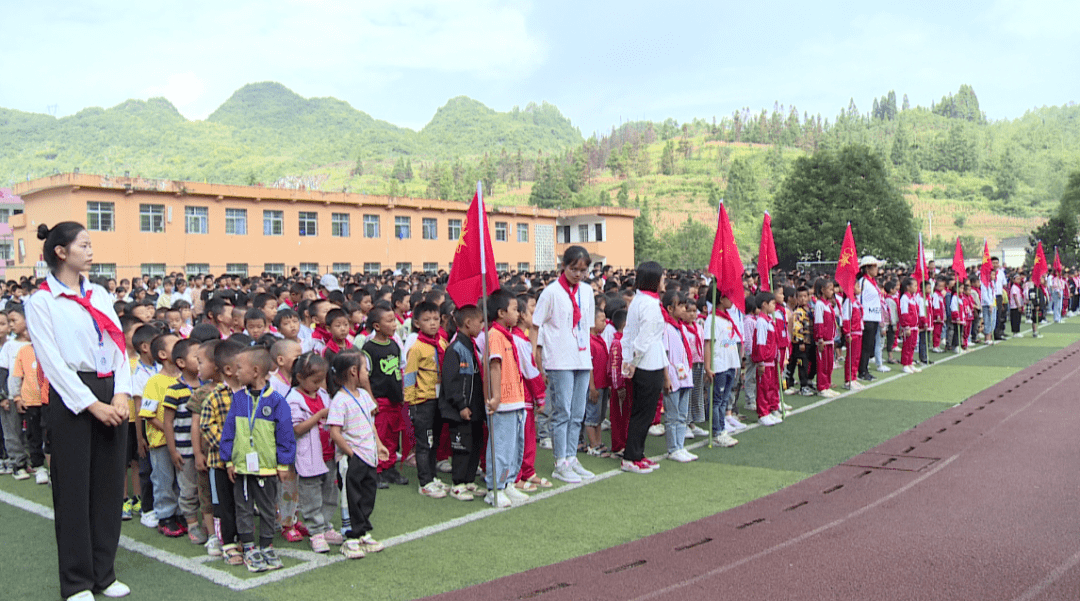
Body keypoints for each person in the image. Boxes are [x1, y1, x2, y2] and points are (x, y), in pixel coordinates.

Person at [25, 222, 134, 600]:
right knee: (73, 491)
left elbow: (119, 345)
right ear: (61, 252)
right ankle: (76, 582)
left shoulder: (100, 293)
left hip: (110, 389)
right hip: (73, 395)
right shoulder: (41, 301)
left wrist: (121, 395)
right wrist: (92, 405)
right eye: (83, 245)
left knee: (108, 489)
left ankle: (104, 574)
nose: (90, 250)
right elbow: (52, 362)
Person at [220, 346, 296, 573]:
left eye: (239, 368)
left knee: (267, 508)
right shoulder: (238, 399)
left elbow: (285, 434)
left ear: (255, 371)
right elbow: (229, 430)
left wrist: (283, 463)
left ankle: (266, 545)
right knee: (243, 508)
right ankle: (249, 547)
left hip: (267, 468)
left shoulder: (277, 401)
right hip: (242, 468)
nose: (235, 373)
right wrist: (229, 461)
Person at [532, 246, 596, 484]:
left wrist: (588, 358)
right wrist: (536, 360)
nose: (578, 274)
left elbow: (587, 327)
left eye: (583, 270)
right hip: (559, 360)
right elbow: (536, 325)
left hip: (581, 357)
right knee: (563, 412)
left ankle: (571, 457)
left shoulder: (587, 292)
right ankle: (560, 462)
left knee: (578, 413)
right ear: (563, 266)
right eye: (574, 269)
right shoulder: (550, 292)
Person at [326, 349, 388, 559]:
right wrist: (351, 453)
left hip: (369, 455)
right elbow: (335, 433)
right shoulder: (339, 400)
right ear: (354, 371)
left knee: (367, 494)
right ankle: (350, 536)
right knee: (350, 496)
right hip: (352, 458)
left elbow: (371, 424)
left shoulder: (363, 396)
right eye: (365, 369)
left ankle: (362, 532)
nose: (367, 373)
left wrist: (378, 444)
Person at [285, 352, 345, 553]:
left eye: (321, 380)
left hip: (328, 453)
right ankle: (315, 531)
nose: (319, 385)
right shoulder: (293, 398)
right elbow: (297, 429)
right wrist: (319, 415)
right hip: (308, 456)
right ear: (300, 378)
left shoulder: (322, 395)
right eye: (315, 381)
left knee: (330, 491)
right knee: (310, 494)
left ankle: (325, 525)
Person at [199, 339, 246, 566]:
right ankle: (228, 542)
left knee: (245, 501)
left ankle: (246, 540)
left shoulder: (252, 394)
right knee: (226, 504)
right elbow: (207, 426)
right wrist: (230, 447)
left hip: (248, 461)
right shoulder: (215, 397)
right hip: (221, 461)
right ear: (229, 369)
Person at [483, 289, 528, 507]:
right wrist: (496, 397)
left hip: (515, 400)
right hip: (503, 402)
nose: (518, 314)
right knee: (500, 447)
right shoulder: (495, 336)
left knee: (514, 446)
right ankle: (495, 488)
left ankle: (508, 482)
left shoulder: (506, 335)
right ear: (501, 312)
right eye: (514, 309)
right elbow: (494, 365)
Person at [620, 261, 665, 474]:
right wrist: (633, 361)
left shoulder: (642, 300)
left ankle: (637, 453)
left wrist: (630, 359)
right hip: (646, 363)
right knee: (642, 413)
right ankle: (631, 457)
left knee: (644, 412)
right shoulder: (647, 303)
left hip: (649, 360)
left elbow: (630, 334)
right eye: (662, 277)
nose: (664, 281)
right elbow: (643, 336)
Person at [138, 333, 184, 537]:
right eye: (175, 345)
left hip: (183, 440)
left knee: (182, 479)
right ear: (163, 354)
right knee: (163, 478)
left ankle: (182, 513)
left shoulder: (185, 379)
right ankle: (165, 516)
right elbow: (148, 414)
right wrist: (170, 431)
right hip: (162, 441)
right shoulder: (155, 381)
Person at [160, 338, 206, 542]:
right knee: (188, 488)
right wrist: (172, 450)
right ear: (181, 362)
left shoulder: (208, 386)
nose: (201, 361)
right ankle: (192, 523)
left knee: (205, 487)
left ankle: (208, 522)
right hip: (185, 450)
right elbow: (168, 422)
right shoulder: (175, 390)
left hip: (206, 449)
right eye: (197, 357)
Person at [439, 305, 486, 501]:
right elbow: (451, 382)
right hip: (460, 410)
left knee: (475, 444)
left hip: (475, 407)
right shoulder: (455, 348)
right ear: (468, 323)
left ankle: (468, 480)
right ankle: (458, 483)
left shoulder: (472, 345)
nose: (483, 326)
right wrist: (461, 405)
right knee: (462, 446)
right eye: (480, 322)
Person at [404, 301, 448, 498]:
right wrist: (411, 402)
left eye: (436, 319)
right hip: (423, 400)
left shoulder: (442, 343)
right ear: (416, 323)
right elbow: (410, 376)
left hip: (439, 399)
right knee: (424, 442)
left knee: (435, 441)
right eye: (427, 320)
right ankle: (424, 482)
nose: (432, 323)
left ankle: (433, 475)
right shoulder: (416, 348)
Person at [362, 305, 410, 488]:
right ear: (377, 326)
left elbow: (400, 370)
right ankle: (377, 470)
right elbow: (365, 376)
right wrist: (371, 399)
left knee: (392, 435)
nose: (395, 324)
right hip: (379, 398)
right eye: (389, 321)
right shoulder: (369, 347)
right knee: (379, 435)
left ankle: (389, 467)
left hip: (394, 399)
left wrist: (402, 392)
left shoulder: (394, 345)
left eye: (394, 320)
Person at [702, 288, 741, 447]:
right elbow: (709, 343)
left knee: (724, 400)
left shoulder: (726, 319)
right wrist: (708, 367)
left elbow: (727, 342)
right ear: (720, 299)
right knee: (717, 400)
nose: (732, 301)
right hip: (719, 366)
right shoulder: (712, 320)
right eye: (729, 298)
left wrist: (735, 362)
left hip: (730, 364)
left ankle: (722, 428)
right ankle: (717, 432)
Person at [660, 290, 696, 460]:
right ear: (669, 308)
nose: (683, 309)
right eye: (680, 306)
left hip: (684, 376)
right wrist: (666, 378)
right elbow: (664, 356)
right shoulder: (666, 329)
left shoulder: (681, 327)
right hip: (673, 377)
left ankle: (680, 446)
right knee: (672, 415)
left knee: (682, 415)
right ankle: (673, 448)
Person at [1, 307, 32, 480]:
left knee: (32, 431)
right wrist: (3, 396)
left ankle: (34, 462)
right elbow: (3, 371)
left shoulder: (36, 344)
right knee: (12, 431)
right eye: (9, 321)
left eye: (15, 321)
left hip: (32, 395)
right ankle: (17, 463)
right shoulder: (9, 346)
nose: (11, 325)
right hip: (12, 396)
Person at [752, 291, 782, 425]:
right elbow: (761, 342)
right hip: (765, 361)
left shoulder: (769, 320)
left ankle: (769, 410)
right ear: (764, 304)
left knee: (770, 386)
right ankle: (762, 413)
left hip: (771, 360)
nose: (775, 306)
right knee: (763, 387)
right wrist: (761, 361)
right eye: (773, 303)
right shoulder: (761, 322)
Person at [856, 256, 884, 380]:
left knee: (870, 345)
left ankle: (865, 369)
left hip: (874, 316)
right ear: (867, 268)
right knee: (865, 346)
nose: (877, 269)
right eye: (875, 267)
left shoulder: (873, 282)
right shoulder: (863, 282)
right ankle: (862, 371)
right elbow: (859, 300)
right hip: (867, 317)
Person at [813, 279, 839, 397]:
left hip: (830, 339)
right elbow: (819, 322)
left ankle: (827, 385)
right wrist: (820, 339)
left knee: (829, 365)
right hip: (823, 340)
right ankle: (822, 387)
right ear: (823, 290)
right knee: (822, 364)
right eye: (830, 289)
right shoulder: (819, 305)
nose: (832, 291)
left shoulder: (828, 304)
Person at [841, 281, 865, 391]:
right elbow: (846, 318)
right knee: (851, 357)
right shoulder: (849, 302)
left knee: (856, 357)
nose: (859, 288)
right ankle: (848, 379)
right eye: (857, 286)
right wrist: (847, 332)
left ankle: (854, 377)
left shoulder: (856, 301)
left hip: (858, 331)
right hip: (853, 333)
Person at [898, 277, 921, 374]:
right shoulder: (905, 298)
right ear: (908, 287)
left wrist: (917, 325)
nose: (916, 288)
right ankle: (905, 364)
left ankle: (910, 362)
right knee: (907, 346)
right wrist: (906, 326)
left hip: (914, 326)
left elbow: (915, 312)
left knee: (912, 346)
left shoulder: (913, 298)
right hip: (909, 327)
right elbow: (904, 313)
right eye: (914, 286)